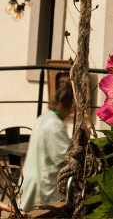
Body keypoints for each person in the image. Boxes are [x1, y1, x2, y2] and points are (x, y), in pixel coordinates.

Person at [19, 82, 73, 212]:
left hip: (30, 179)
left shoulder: (44, 118)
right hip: (43, 186)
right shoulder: (54, 124)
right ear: (65, 106)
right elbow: (65, 158)